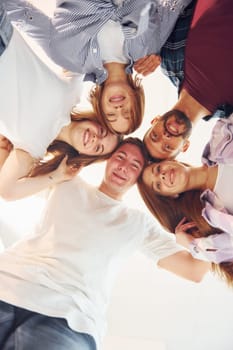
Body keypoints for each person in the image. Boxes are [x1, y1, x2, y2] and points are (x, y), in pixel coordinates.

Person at [0, 137, 210, 350]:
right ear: (108, 160)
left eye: (134, 165)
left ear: (138, 178)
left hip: (69, 316)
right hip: (8, 281)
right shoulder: (67, 181)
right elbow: (10, 181)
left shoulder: (138, 223)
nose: (123, 167)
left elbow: (194, 271)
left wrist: (193, 242)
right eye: (120, 157)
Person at [3, 0, 193, 134]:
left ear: (100, 105)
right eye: (127, 112)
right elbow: (174, 5)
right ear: (136, 100)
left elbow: (19, 12)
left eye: (111, 114)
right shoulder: (148, 50)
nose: (118, 108)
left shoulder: (67, 57)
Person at [0, 10, 120, 200]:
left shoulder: (34, 149)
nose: (95, 138)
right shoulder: (72, 94)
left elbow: (6, 191)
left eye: (98, 148)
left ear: (84, 154)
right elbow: (80, 44)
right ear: (96, 120)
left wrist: (57, 176)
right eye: (102, 132)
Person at [139, 113, 233, 287]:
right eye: (159, 185)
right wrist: (191, 244)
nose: (163, 176)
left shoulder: (220, 140)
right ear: (171, 196)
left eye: (158, 169)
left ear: (170, 160)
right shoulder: (214, 214)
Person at [143, 0, 233, 160]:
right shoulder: (230, 113)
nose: (165, 136)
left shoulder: (167, 58)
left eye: (155, 136)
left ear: (155, 120)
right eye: (167, 147)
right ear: (185, 146)